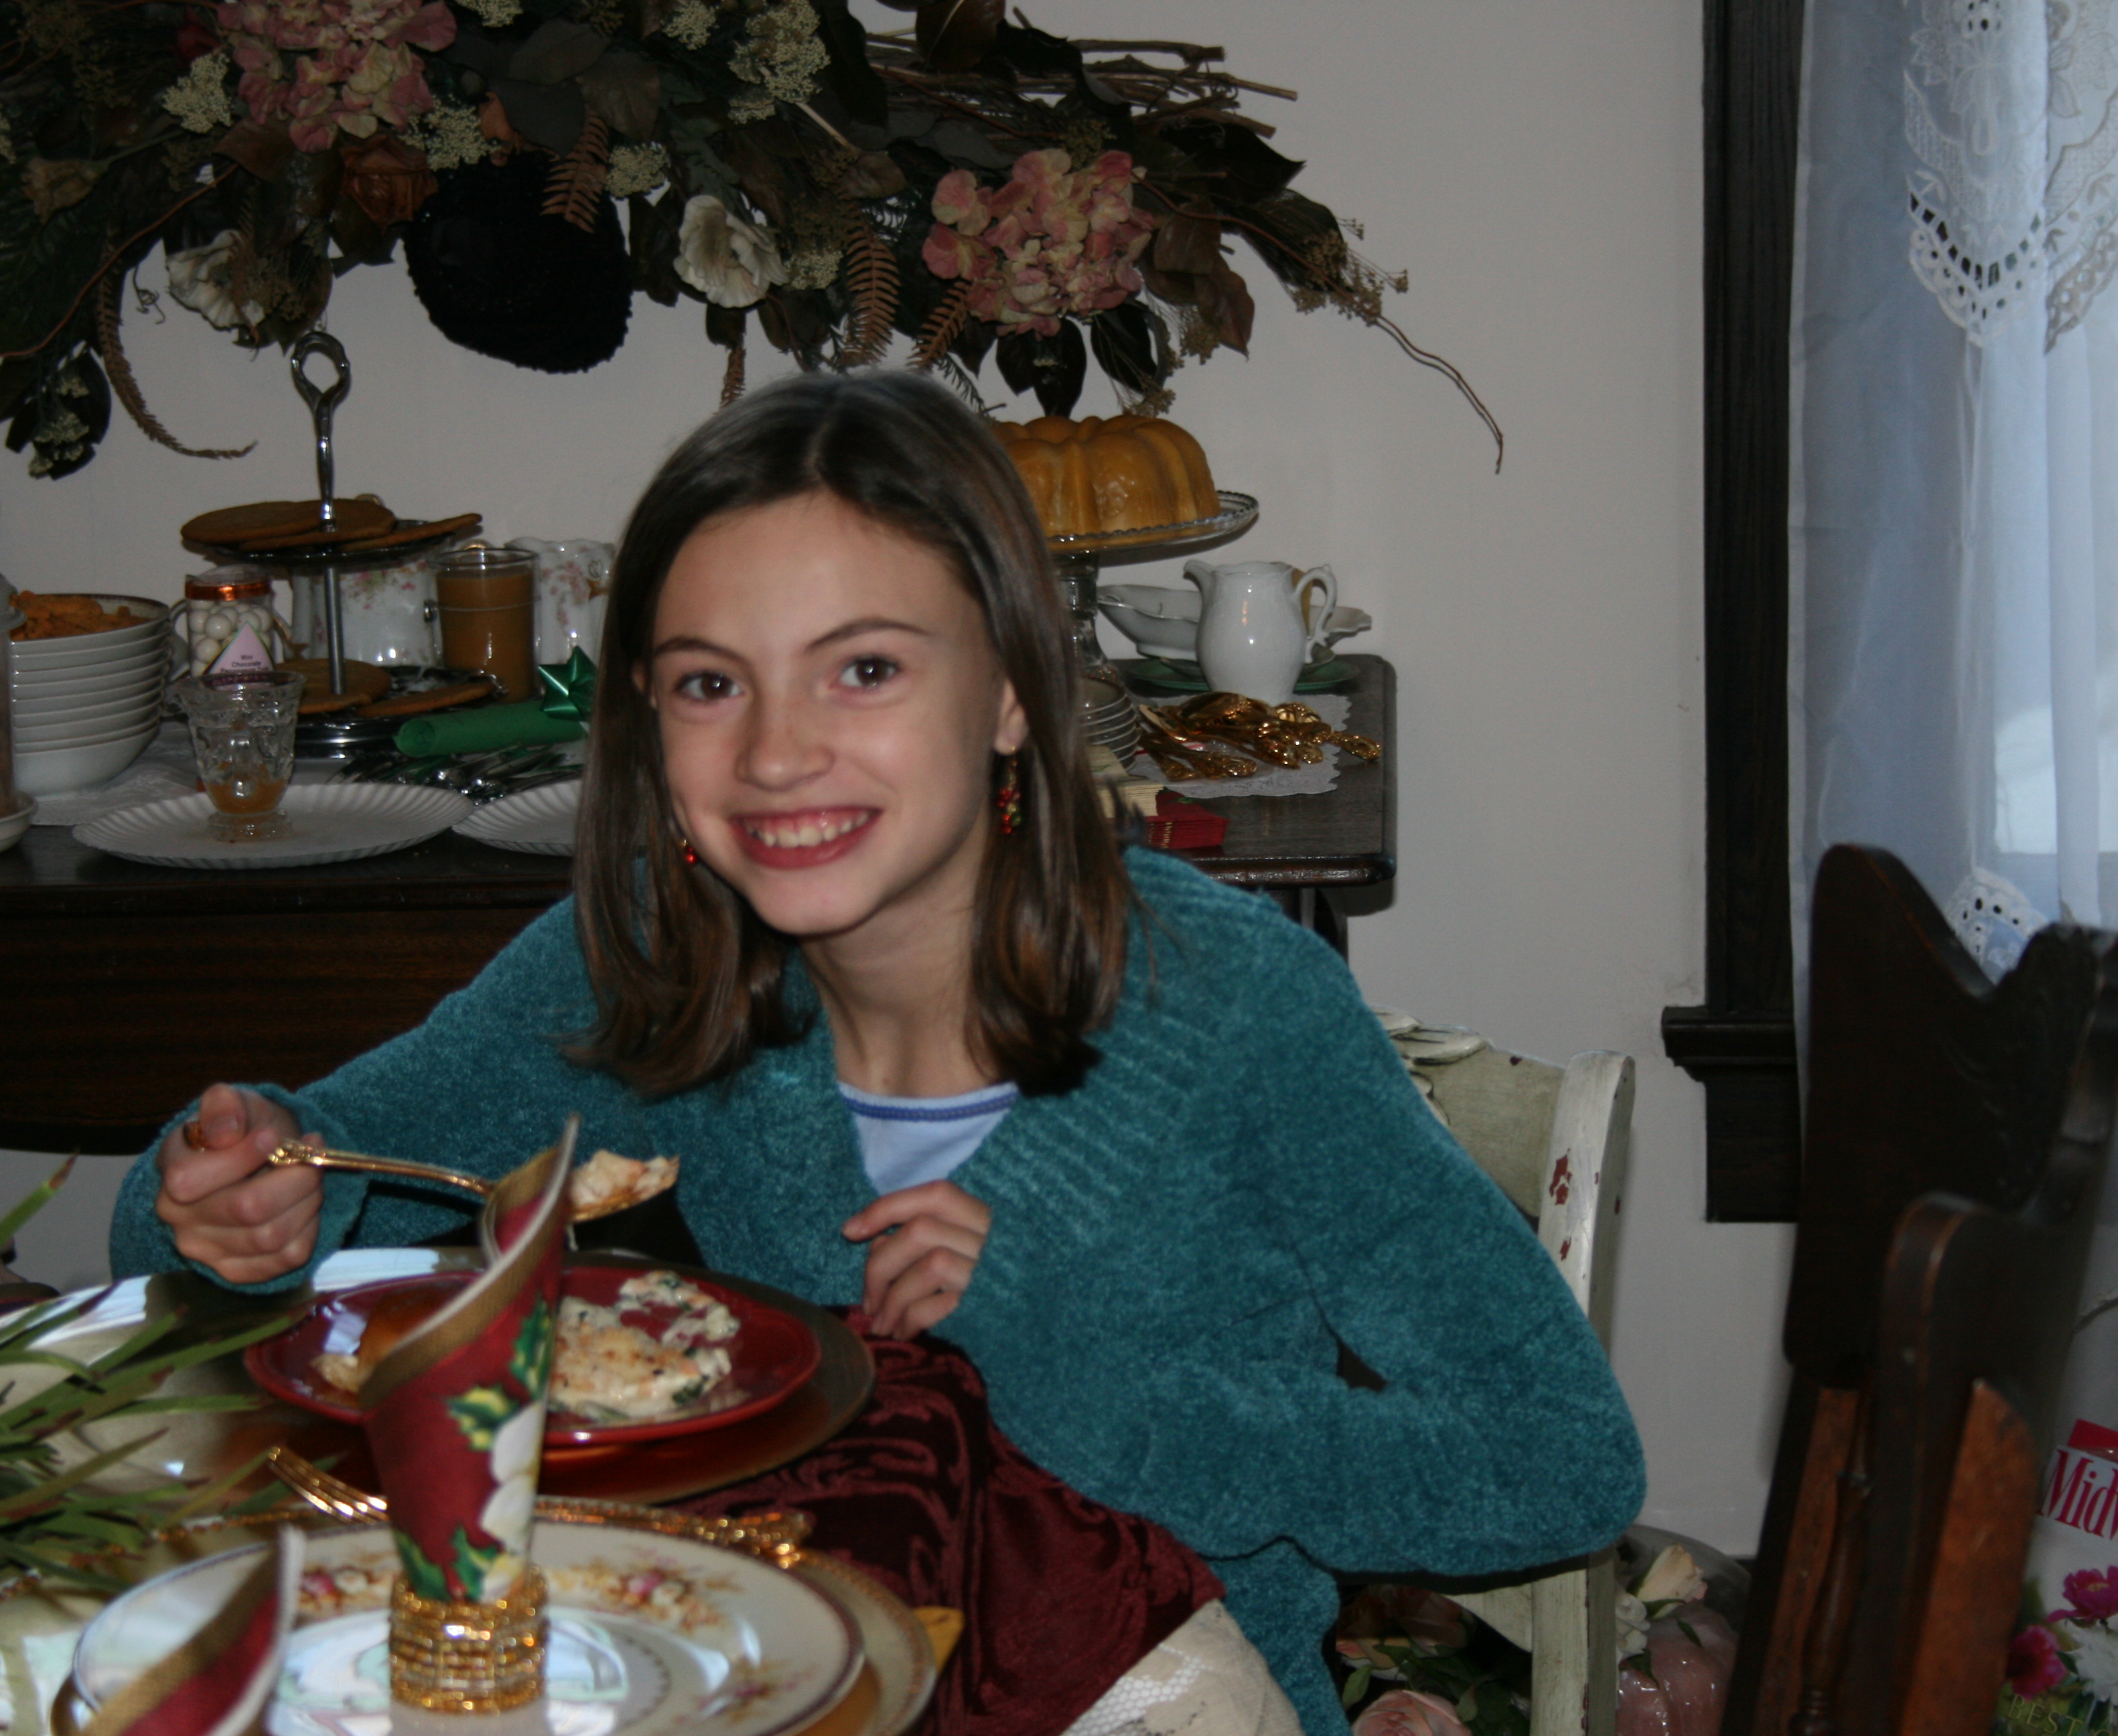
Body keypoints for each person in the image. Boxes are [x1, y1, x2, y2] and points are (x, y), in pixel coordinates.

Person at [111, 370, 1644, 1732]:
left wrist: (1101, 1397)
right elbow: (253, 1200)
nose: (777, 753)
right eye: (711, 684)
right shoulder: (653, 950)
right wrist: (241, 1200)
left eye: (864, 670)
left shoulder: (1240, 1011)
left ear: (1011, 690)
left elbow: (1558, 1465)